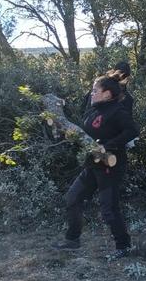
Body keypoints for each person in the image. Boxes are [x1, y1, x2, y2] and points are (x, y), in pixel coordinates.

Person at [53, 70, 140, 260]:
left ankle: (123, 246)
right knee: (72, 198)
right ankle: (72, 239)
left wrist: (108, 145)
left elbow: (132, 131)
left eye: (95, 91)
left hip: (110, 166)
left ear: (107, 93)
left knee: (109, 208)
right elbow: (85, 134)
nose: (92, 94)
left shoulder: (117, 111)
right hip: (92, 165)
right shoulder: (93, 110)